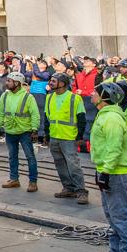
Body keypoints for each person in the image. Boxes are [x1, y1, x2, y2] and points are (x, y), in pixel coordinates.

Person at [92, 82, 127, 252]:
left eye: (95, 92)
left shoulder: (111, 118)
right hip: (108, 170)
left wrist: (106, 171)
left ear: (104, 97)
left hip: (114, 172)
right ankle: (116, 251)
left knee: (120, 216)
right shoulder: (105, 115)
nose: (92, 94)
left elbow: (114, 147)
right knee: (112, 215)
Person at [43, 73, 88, 204]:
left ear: (62, 83)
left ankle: (81, 191)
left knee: (73, 165)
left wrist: (79, 136)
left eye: (53, 81)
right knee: (60, 164)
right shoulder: (49, 98)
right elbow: (47, 118)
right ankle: (68, 188)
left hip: (69, 137)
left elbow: (81, 119)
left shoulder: (75, 98)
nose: (50, 83)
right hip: (54, 136)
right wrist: (47, 134)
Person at [0, 72, 40, 192]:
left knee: (30, 157)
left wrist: (34, 129)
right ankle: (14, 179)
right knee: (12, 156)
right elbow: (0, 112)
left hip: (24, 131)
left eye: (9, 81)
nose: (7, 83)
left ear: (17, 83)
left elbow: (35, 114)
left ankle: (33, 182)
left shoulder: (28, 97)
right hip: (10, 131)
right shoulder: (5, 96)